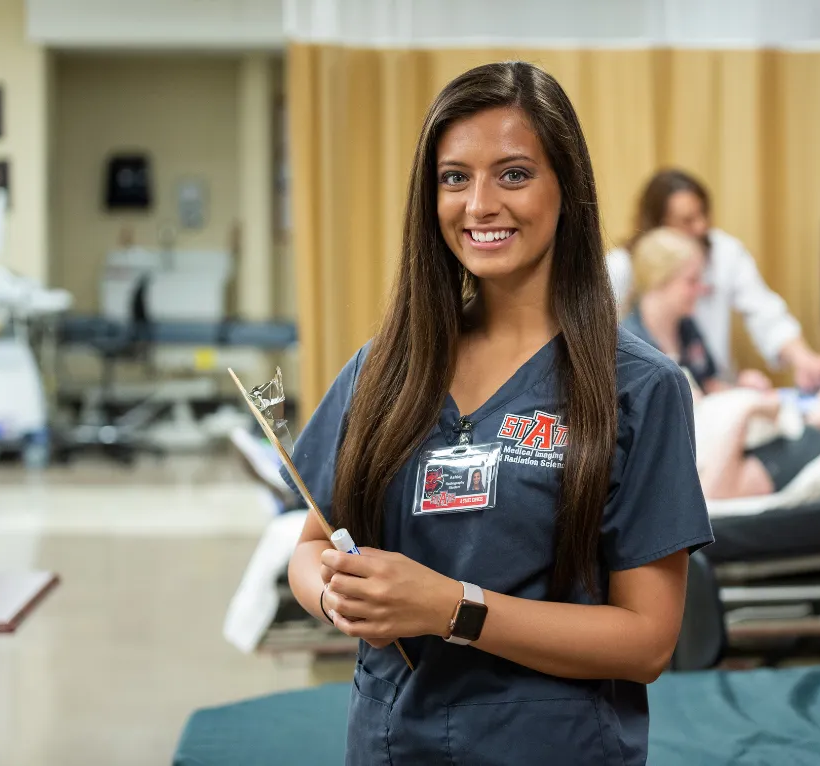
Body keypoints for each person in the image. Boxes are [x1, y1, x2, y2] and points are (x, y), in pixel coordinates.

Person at [284, 61, 712, 766]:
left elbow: (647, 642)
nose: (479, 204)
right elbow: (311, 544)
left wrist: (453, 607)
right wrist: (337, 597)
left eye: (513, 174)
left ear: (566, 189)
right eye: (454, 177)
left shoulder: (639, 388)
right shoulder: (385, 367)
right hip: (391, 745)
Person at [607, 168, 820, 391]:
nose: (701, 226)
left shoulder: (723, 254)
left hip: (711, 389)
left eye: (703, 214)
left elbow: (764, 312)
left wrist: (802, 358)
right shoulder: (621, 270)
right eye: (687, 220)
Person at [621, 226, 772, 395]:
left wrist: (740, 388)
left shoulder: (686, 326)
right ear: (658, 280)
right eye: (691, 281)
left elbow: (709, 385)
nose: (700, 290)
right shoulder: (630, 344)